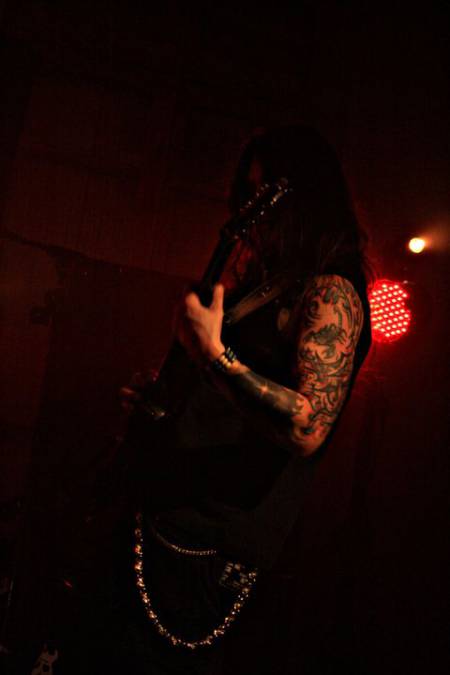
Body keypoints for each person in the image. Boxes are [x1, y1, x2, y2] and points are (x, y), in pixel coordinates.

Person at [110, 124, 372, 674]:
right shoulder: (264, 284)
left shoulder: (332, 291)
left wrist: (212, 356)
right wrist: (167, 400)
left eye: (264, 191)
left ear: (301, 196)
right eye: (248, 190)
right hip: (162, 516)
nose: (252, 207)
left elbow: (307, 427)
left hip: (211, 552)